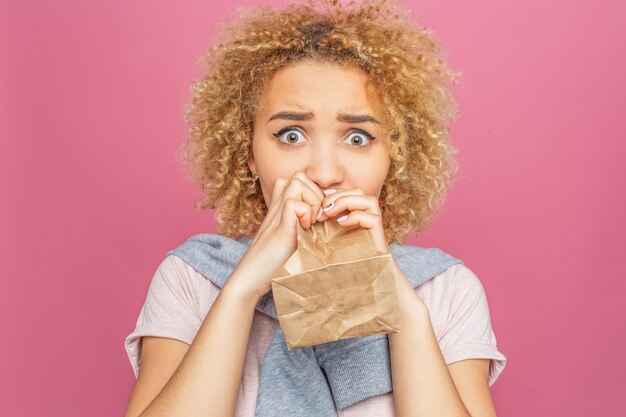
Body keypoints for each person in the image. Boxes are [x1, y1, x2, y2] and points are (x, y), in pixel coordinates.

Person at [123, 0, 507, 416]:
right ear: (250, 153)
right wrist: (242, 289)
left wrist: (400, 301)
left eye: (357, 138)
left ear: (393, 155)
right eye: (291, 135)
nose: (324, 173)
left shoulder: (444, 290)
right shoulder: (191, 279)